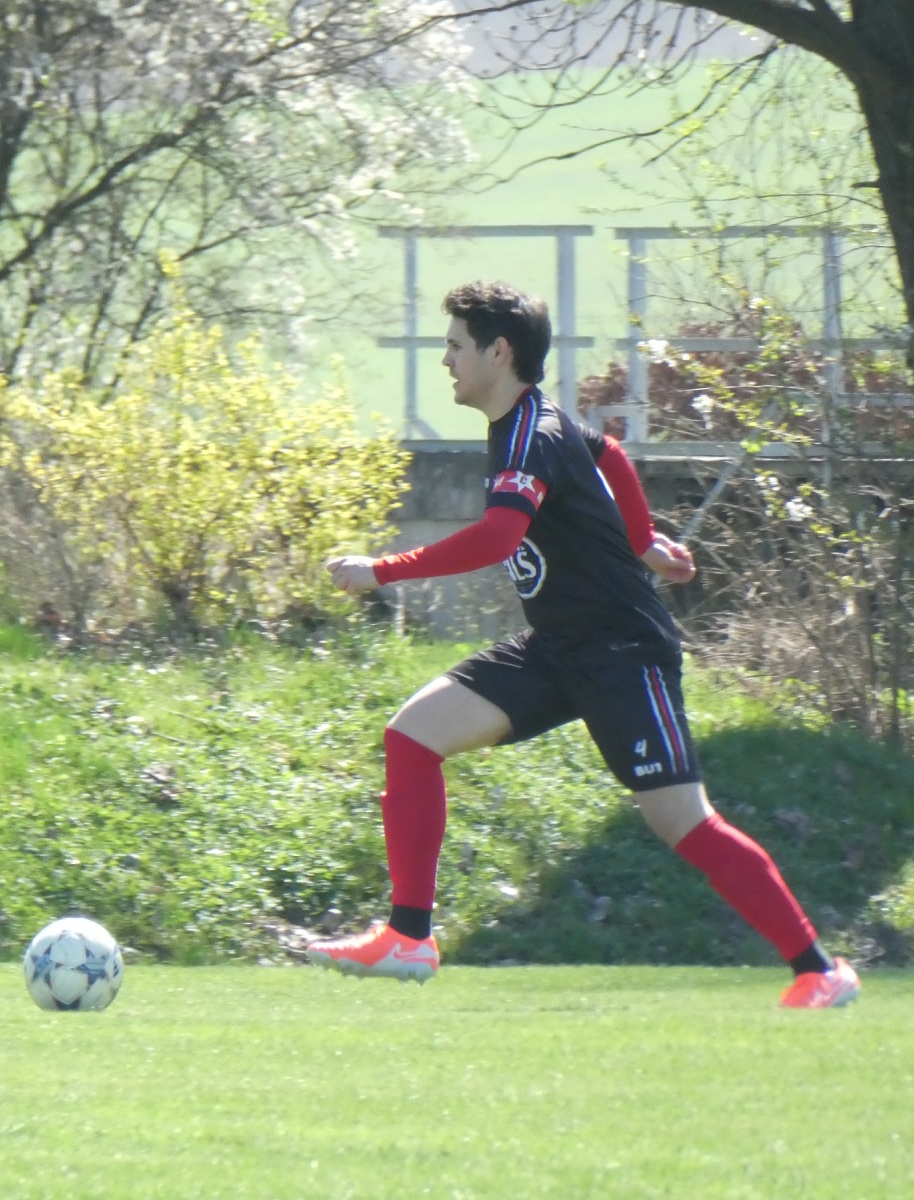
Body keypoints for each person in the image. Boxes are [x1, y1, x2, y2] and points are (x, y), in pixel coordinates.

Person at [307, 281, 858, 1008]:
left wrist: (382, 570)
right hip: (557, 646)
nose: (445, 360)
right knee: (412, 735)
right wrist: (643, 539)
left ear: (498, 353)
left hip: (624, 653)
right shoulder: (528, 422)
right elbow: (610, 452)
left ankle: (820, 971)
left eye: (455, 346)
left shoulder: (530, 434)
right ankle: (409, 938)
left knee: (685, 824)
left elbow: (498, 537)